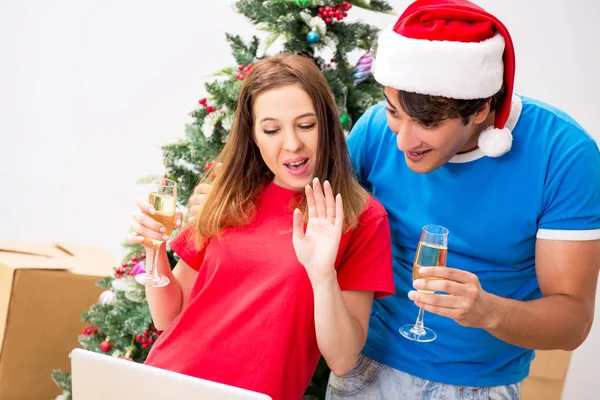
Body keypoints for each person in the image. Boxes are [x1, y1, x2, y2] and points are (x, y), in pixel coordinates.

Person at [188, 1, 600, 398]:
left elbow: (572, 323)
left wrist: (488, 311)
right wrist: (220, 203)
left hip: (477, 385)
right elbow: (303, 206)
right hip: (363, 371)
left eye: (427, 123)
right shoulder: (375, 132)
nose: (402, 141)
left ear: (480, 109)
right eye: (393, 112)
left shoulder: (563, 155)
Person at [126, 53, 395, 400]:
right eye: (271, 129)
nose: (293, 143)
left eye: (306, 124)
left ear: (327, 124)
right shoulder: (228, 194)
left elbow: (342, 359)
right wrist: (154, 248)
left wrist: (322, 275)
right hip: (167, 383)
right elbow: (168, 315)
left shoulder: (361, 217)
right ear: (254, 135)